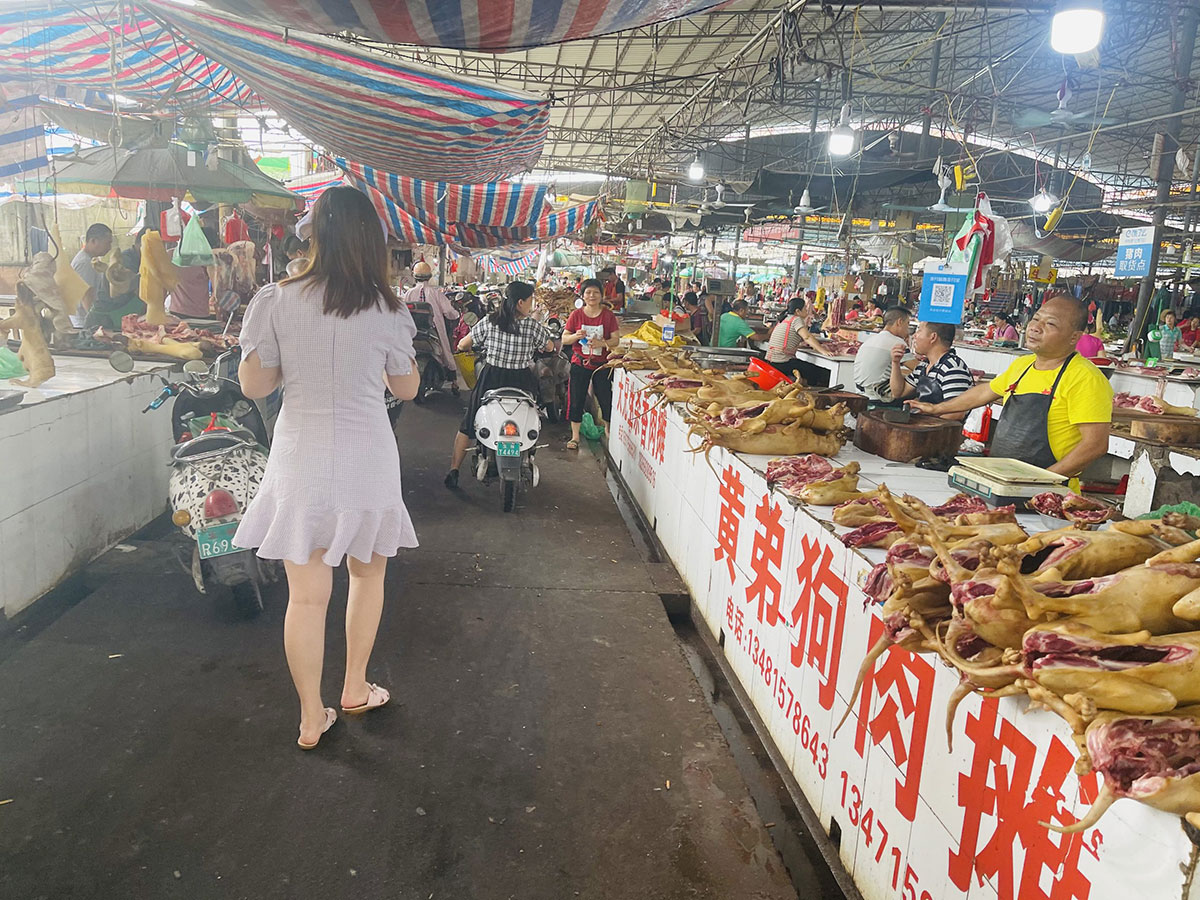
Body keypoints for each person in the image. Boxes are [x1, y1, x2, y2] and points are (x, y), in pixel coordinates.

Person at [233, 186, 420, 750]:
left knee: (307, 598)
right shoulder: (388, 307)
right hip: (367, 455)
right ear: (372, 242)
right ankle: (356, 687)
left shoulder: (276, 300)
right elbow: (406, 386)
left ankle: (311, 716)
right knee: (368, 576)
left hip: (301, 457)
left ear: (313, 236)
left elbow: (253, 385)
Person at [908, 295, 1112, 483]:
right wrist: (936, 409)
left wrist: (1042, 480)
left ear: (1074, 337)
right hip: (1003, 480)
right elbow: (984, 392)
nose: (1035, 328)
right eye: (1036, 319)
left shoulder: (1085, 378)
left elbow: (1094, 445)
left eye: (1050, 324)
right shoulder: (1023, 365)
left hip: (1049, 492)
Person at [445, 281, 554, 486]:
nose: (532, 305)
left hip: (492, 378)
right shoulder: (532, 325)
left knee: (468, 424)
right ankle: (528, 455)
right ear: (521, 302)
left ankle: (454, 470)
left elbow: (463, 344)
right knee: (531, 418)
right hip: (521, 380)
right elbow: (548, 347)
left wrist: (463, 345)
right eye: (531, 301)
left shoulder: (490, 321)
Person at [563, 278, 621, 449]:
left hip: (601, 365)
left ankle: (608, 430)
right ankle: (574, 437)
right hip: (580, 363)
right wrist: (576, 336)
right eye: (588, 292)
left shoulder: (608, 316)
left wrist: (602, 344)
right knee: (576, 399)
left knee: (605, 398)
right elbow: (565, 338)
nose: (592, 295)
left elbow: (616, 340)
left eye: (596, 292)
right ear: (583, 295)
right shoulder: (576, 315)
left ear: (601, 295)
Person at [888, 321, 972, 415]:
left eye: (919, 331)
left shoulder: (953, 368)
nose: (914, 336)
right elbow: (898, 392)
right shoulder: (923, 366)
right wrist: (895, 363)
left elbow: (955, 414)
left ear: (933, 337)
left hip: (942, 428)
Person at [404, 260, 460, 370]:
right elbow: (449, 312)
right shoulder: (436, 293)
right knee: (446, 351)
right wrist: (456, 315)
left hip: (412, 331)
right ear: (429, 276)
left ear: (414, 276)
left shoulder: (408, 294)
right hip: (434, 330)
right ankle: (453, 378)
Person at [852, 306, 912, 400]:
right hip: (878, 396)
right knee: (917, 386)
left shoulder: (871, 339)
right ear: (899, 322)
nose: (908, 329)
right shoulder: (897, 342)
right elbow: (918, 369)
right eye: (907, 324)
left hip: (859, 393)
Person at [766, 296, 829, 378]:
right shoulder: (796, 319)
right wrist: (823, 351)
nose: (807, 310)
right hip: (783, 362)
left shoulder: (784, 319)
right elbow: (807, 337)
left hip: (772, 361)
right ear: (798, 311)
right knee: (821, 373)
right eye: (805, 308)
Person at [70, 223, 113, 327]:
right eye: (107, 243)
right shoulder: (84, 263)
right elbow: (86, 295)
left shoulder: (91, 260)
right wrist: (94, 324)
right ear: (93, 241)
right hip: (84, 323)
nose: (110, 247)